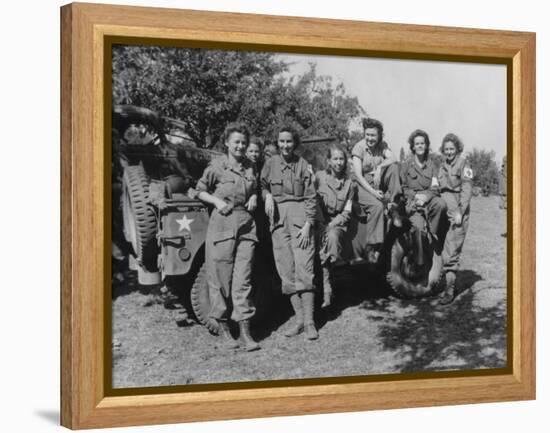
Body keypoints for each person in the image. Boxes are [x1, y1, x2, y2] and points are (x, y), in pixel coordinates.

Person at [195, 122, 260, 351]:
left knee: (244, 279)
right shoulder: (217, 166)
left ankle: (245, 333)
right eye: (236, 142)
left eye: (244, 142)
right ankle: (224, 330)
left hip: (246, 226)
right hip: (222, 224)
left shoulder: (251, 166)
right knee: (220, 278)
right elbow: (199, 189)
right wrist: (216, 201)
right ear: (227, 143)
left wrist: (255, 196)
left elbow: (255, 187)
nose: (241, 146)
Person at [261, 126, 319, 340]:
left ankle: (311, 322)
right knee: (286, 271)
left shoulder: (303, 165)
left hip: (299, 218)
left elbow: (311, 197)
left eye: (289, 141)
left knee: (305, 269)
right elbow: (262, 185)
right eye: (281, 142)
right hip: (277, 220)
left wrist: (308, 224)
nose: (285, 145)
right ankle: (299, 320)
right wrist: (267, 195)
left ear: (295, 143)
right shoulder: (270, 164)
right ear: (277, 143)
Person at [351, 117, 402, 263]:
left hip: (378, 182)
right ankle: (371, 247)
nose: (370, 138)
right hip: (362, 185)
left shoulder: (382, 145)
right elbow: (359, 176)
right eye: (367, 134)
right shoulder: (359, 148)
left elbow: (394, 158)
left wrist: (380, 167)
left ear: (379, 136)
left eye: (373, 135)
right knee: (377, 206)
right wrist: (374, 193)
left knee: (393, 168)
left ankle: (394, 206)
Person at [315, 144, 355, 308]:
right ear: (329, 161)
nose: (338, 162)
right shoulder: (319, 177)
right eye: (335, 159)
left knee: (331, 238)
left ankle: (327, 288)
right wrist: (320, 222)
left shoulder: (350, 184)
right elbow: (312, 200)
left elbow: (347, 211)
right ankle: (322, 288)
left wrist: (331, 224)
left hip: (336, 222)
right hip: (318, 219)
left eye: (341, 159)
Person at [437, 133, 473, 305]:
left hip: (457, 213)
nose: (449, 152)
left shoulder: (464, 164)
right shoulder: (442, 165)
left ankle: (449, 290)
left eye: (452, 149)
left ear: (457, 149)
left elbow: (466, 190)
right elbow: (437, 186)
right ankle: (445, 284)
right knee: (444, 249)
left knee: (452, 252)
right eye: (446, 149)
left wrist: (460, 212)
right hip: (445, 210)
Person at [400, 129, 447, 247]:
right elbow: (403, 187)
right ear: (413, 147)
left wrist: (425, 198)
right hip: (413, 203)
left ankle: (433, 231)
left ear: (426, 146)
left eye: (422, 143)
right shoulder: (406, 165)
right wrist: (415, 196)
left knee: (441, 204)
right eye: (417, 144)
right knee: (419, 231)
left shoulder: (432, 165)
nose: (420, 146)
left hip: (429, 200)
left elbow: (435, 188)